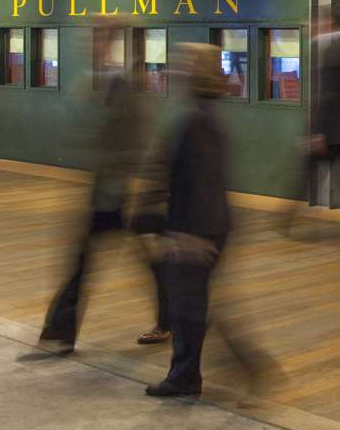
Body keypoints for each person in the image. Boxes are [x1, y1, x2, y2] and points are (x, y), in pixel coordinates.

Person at [146, 43, 276, 398]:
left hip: (199, 228)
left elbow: (201, 179)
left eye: (182, 63)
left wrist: (190, 235)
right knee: (195, 303)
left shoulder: (197, 120)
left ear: (194, 72)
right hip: (207, 225)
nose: (174, 69)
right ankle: (216, 370)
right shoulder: (202, 115)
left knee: (190, 305)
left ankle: (190, 376)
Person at [38, 71, 170, 351]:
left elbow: (130, 153)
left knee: (89, 263)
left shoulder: (126, 105)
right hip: (110, 196)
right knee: (133, 263)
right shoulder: (117, 102)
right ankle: (61, 330)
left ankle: (60, 330)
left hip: (117, 198)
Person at [288, 7, 340, 247]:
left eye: (315, 25)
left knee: (305, 173)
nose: (312, 30)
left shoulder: (333, 52)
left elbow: (328, 95)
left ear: (327, 23)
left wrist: (316, 132)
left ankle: (284, 221)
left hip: (332, 132)